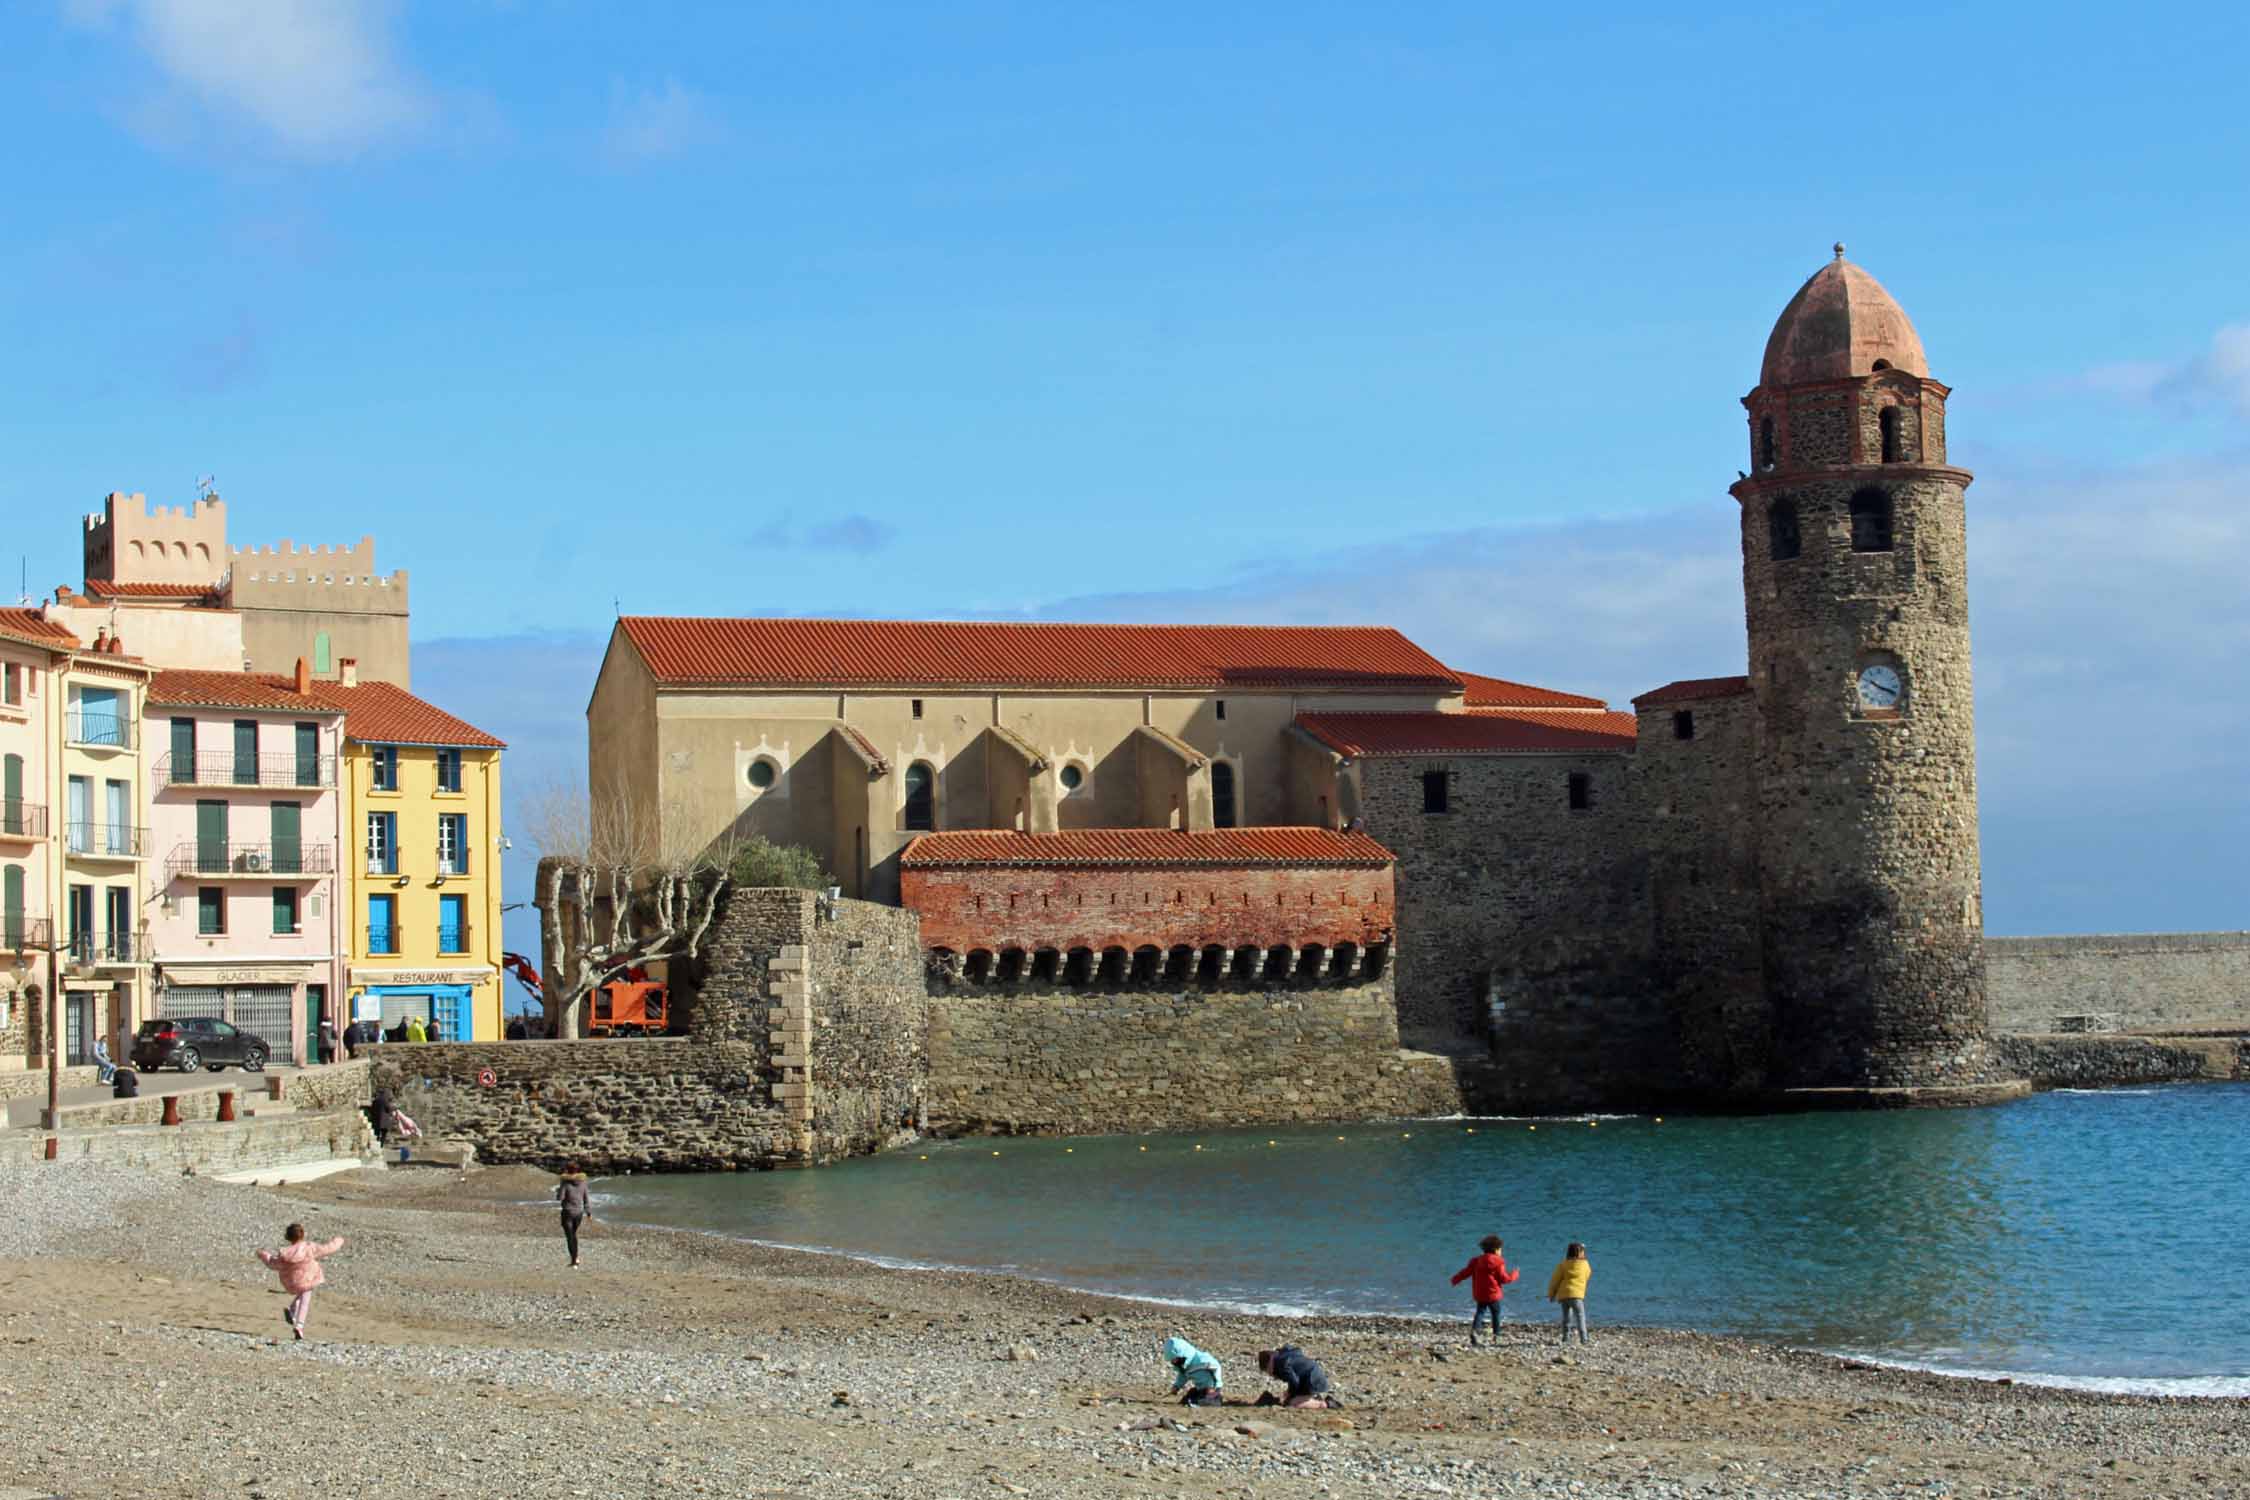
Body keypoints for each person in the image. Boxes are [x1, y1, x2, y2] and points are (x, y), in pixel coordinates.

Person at [255, 1222, 346, 1341]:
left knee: (302, 1293)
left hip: (292, 1282)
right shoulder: (309, 1247)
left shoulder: (285, 1253)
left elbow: (272, 1263)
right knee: (305, 1299)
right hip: (307, 1279)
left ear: (288, 1237)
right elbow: (327, 1248)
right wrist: (339, 1240)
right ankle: (299, 1326)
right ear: (302, 1234)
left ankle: (292, 1311)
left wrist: (263, 1254)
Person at [1450, 1233, 1519, 1346]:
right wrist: (1515, 1274)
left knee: (1480, 1312)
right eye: (1500, 1249)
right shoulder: (1498, 1262)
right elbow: (1504, 1279)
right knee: (1495, 1314)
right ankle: (1496, 1335)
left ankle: (1475, 1331)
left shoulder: (1476, 1261)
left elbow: (1465, 1272)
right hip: (1493, 1294)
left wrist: (1455, 1279)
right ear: (1496, 1250)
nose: (1501, 1252)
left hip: (1480, 1293)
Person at [1253, 1346, 1339, 1409]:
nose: (1270, 1374)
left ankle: (1326, 1404)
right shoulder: (1283, 1355)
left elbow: (1294, 1381)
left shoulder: (1281, 1364)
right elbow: (1294, 1379)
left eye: (1267, 1370)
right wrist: (1289, 1393)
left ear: (1268, 1364)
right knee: (1291, 1399)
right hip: (1312, 1378)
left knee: (1293, 1404)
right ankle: (1312, 1398)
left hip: (1313, 1381)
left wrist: (1290, 1395)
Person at [1547, 1242, 1593, 1346]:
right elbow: (1588, 1274)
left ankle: (1565, 1337)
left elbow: (1555, 1280)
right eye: (1583, 1251)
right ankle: (1583, 1338)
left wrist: (1551, 1294)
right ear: (1581, 1253)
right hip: (1577, 1296)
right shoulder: (1585, 1264)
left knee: (1566, 1317)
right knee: (1580, 1316)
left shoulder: (1563, 1264)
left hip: (1564, 1295)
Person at [1161, 1335, 1225, 1407]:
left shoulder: (1202, 1360)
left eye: (1175, 1359)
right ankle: (1193, 1402)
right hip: (1200, 1389)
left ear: (1182, 1354)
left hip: (1211, 1389)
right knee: (1189, 1396)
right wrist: (1176, 1387)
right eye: (1172, 1361)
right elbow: (1182, 1376)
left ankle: (1211, 1400)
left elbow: (1217, 1367)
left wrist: (1217, 1386)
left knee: (1207, 1400)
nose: (1174, 1362)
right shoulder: (1185, 1366)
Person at [556, 1163, 591, 1268]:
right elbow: (586, 1199)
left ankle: (574, 1260)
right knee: (573, 1235)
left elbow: (560, 1198)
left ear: (568, 1170)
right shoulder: (583, 1183)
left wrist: (559, 1189)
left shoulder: (565, 1183)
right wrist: (588, 1212)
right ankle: (576, 1258)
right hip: (579, 1212)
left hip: (567, 1212)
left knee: (570, 1237)